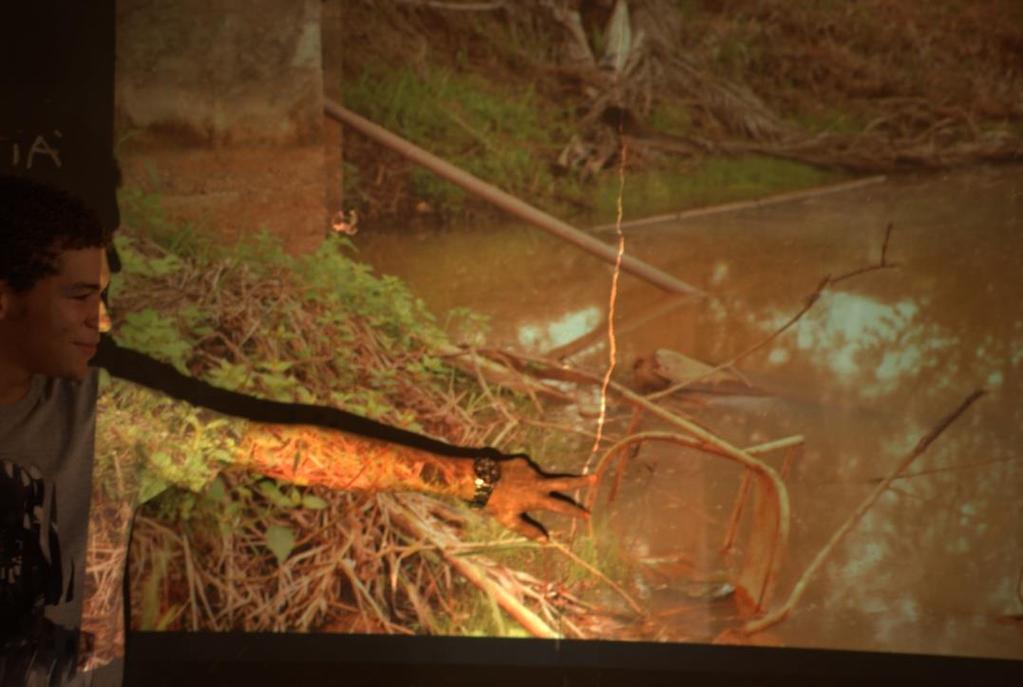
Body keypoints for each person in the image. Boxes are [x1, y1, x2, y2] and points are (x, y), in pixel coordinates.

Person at [0, 175, 593, 685]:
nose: (101, 319)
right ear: (5, 297)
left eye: (102, 296)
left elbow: (295, 452)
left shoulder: (110, 416)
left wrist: (479, 481)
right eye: (78, 296)